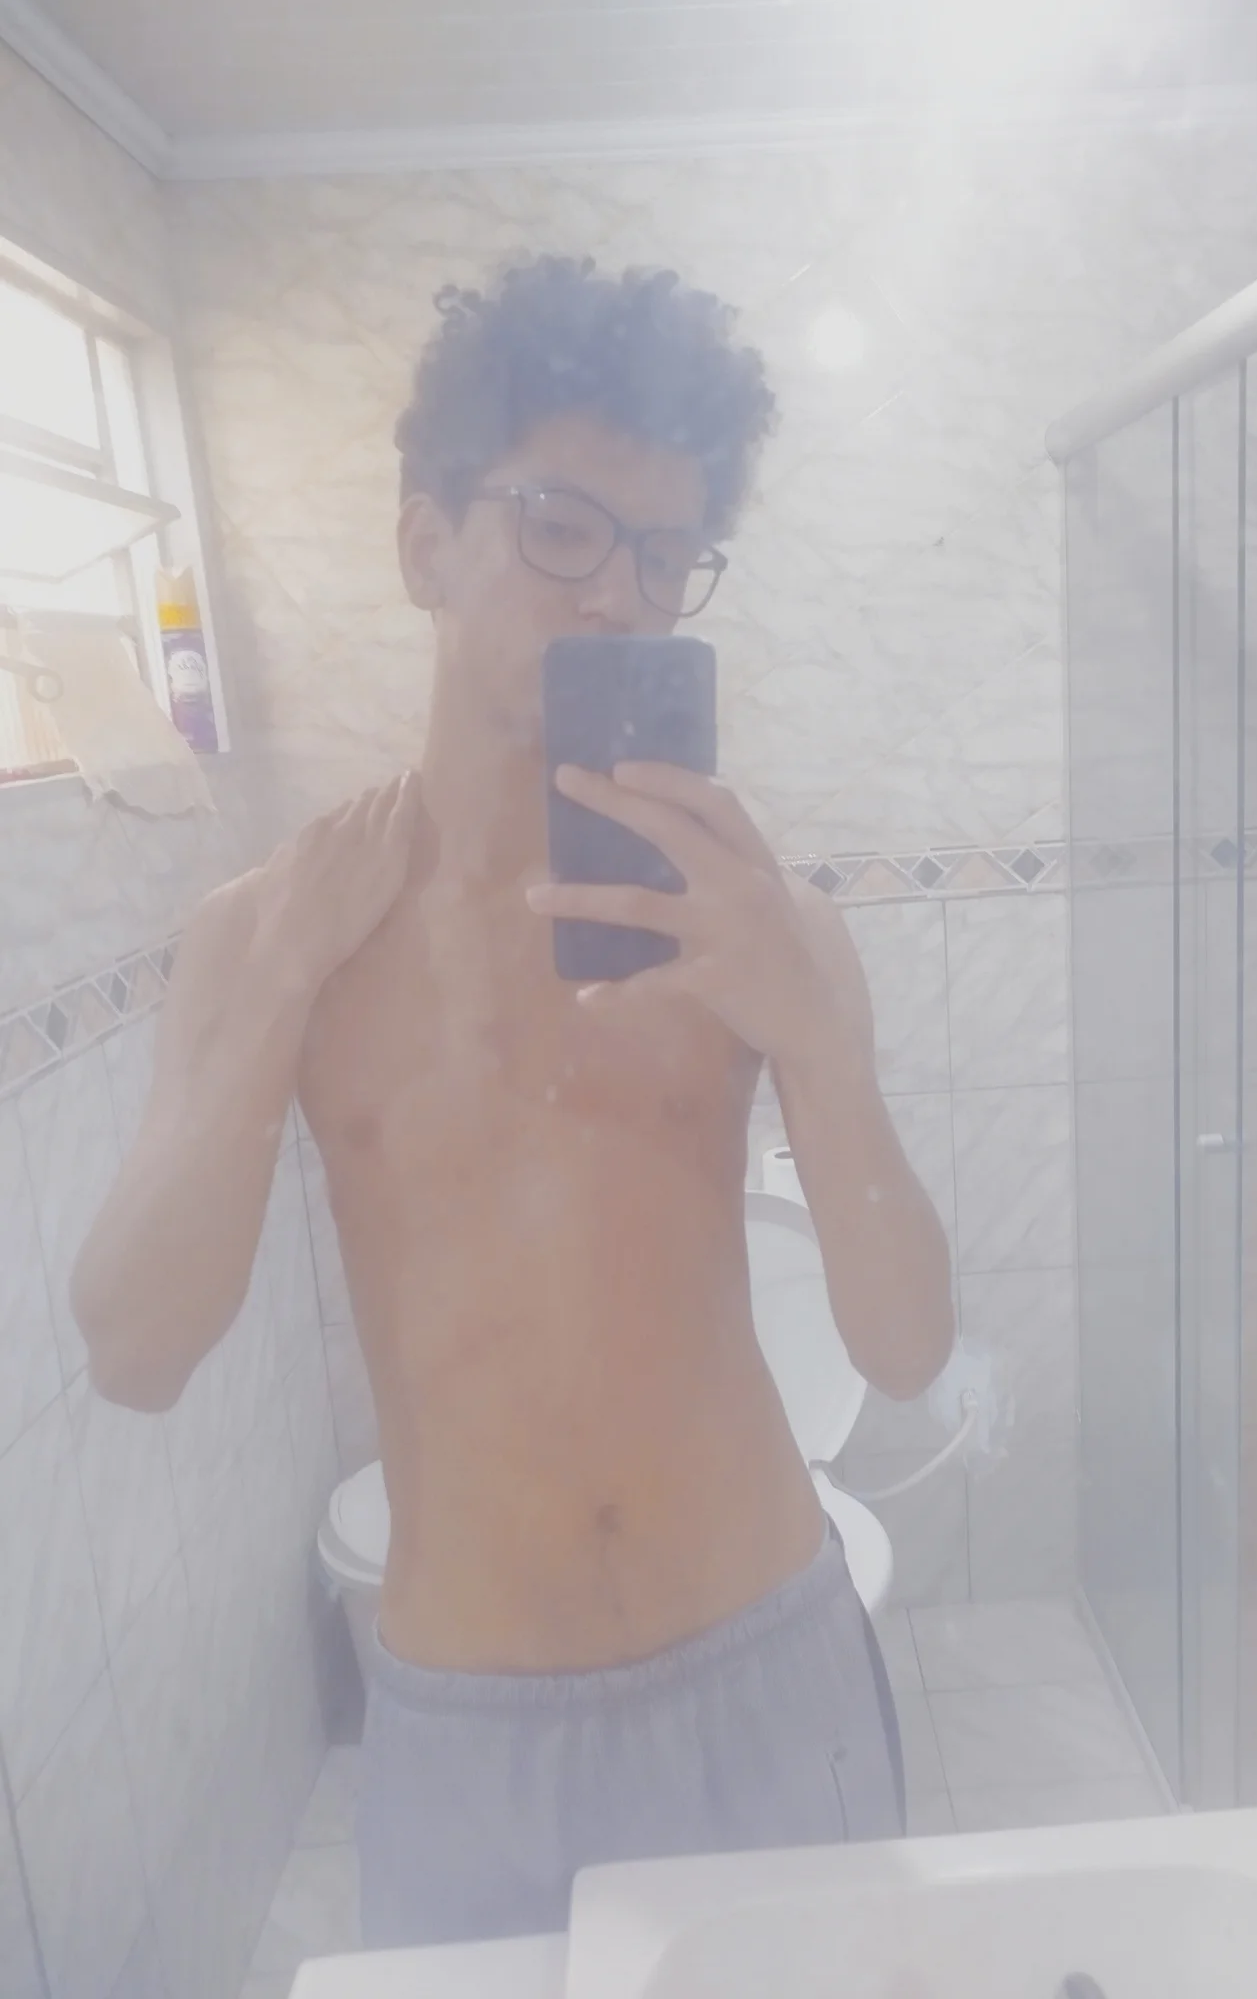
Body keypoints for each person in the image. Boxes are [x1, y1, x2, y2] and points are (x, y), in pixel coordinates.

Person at [72, 255, 956, 1946]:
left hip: (770, 1674)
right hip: (471, 1733)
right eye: (562, 526)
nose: (618, 594)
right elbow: (132, 1354)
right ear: (428, 543)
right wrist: (274, 1002)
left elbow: (907, 1351)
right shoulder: (272, 934)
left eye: (664, 553)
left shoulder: (767, 930)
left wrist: (817, 1044)